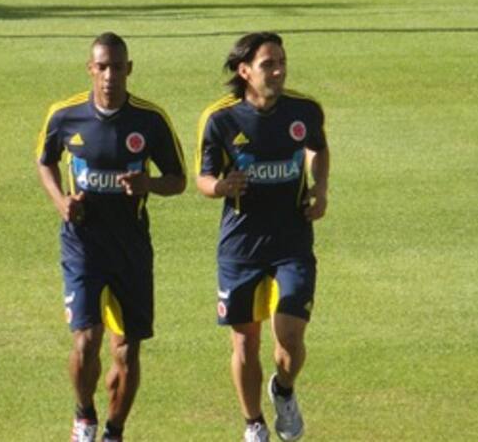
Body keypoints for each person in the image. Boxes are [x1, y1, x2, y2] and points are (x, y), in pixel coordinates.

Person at [36, 32, 186, 442]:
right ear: (90, 69)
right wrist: (61, 201)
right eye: (102, 67)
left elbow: (178, 180)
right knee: (86, 341)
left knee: (127, 350)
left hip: (131, 248)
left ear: (128, 69)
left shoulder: (150, 120)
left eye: (117, 67)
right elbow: (45, 161)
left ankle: (114, 431)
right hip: (82, 245)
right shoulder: (65, 115)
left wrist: (147, 184)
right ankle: (84, 415)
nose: (109, 76)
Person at [195, 32, 330, 442]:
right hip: (240, 248)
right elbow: (202, 178)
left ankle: (284, 389)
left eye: (282, 62)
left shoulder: (304, 110)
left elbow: (317, 149)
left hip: (292, 243)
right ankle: (253, 423)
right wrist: (221, 187)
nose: (278, 71)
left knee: (289, 338)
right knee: (245, 342)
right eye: (268, 64)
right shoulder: (220, 119)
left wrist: (320, 188)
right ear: (245, 71)